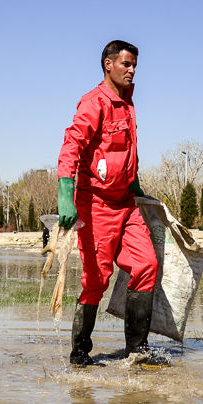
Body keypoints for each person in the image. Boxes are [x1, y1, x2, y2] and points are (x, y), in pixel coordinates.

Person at [57, 39, 167, 367]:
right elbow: (71, 146)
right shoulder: (94, 103)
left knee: (146, 265)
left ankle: (137, 351)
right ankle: (80, 355)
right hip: (95, 205)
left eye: (135, 66)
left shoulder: (128, 103)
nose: (133, 71)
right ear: (109, 64)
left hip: (126, 204)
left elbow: (126, 151)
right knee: (97, 279)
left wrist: (136, 187)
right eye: (126, 65)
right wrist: (66, 194)